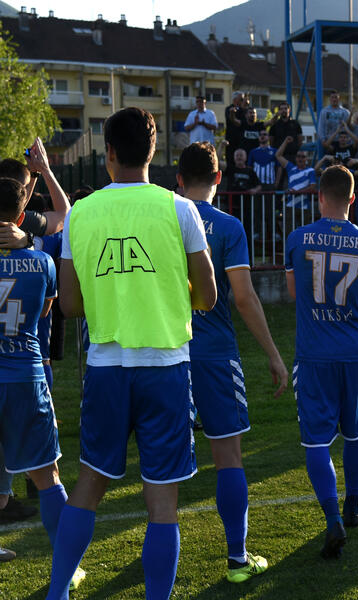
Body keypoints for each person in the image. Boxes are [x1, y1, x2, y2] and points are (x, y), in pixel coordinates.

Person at [45, 107, 217, 600]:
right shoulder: (179, 209)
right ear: (154, 151)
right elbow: (208, 296)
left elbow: (69, 305)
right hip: (165, 368)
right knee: (162, 502)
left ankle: (57, 593)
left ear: (109, 153)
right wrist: (166, 293)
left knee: (89, 485)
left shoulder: (81, 212)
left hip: (106, 368)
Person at [176, 141, 288, 582]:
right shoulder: (227, 226)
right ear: (219, 178)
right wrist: (273, 355)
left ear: (179, 179)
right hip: (215, 355)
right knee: (228, 458)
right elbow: (243, 297)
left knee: (163, 462)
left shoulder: (162, 218)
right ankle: (237, 559)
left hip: (166, 354)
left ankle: (160, 554)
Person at [285, 164, 358, 558]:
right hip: (355, 352)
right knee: (355, 433)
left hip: (314, 355)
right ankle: (353, 506)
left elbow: (295, 293)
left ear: (319, 197)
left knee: (316, 440)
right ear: (353, 198)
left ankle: (332, 520)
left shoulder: (298, 238)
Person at [0, 178, 70, 573]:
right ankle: (66, 564)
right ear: (21, 216)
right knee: (47, 475)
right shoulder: (43, 262)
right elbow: (44, 311)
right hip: (25, 374)